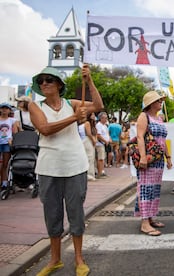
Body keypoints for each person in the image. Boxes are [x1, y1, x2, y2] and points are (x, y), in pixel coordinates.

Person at [29, 64, 104, 276]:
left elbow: (98, 105)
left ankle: (79, 258)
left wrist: (89, 81)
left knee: (76, 213)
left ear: (59, 84)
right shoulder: (36, 107)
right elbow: (45, 129)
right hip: (48, 167)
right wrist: (74, 118)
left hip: (75, 166)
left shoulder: (72, 103)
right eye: (41, 80)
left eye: (49, 80)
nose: (44, 83)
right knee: (52, 214)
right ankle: (55, 259)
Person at [135, 90, 172, 236]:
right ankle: (144, 222)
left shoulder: (159, 118)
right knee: (145, 188)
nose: (161, 102)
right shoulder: (144, 116)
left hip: (158, 160)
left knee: (155, 189)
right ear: (151, 103)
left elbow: (163, 140)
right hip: (149, 160)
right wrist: (143, 157)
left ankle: (150, 217)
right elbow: (139, 136)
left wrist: (168, 157)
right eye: (158, 101)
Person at [0, 103, 18, 189]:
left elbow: (15, 132)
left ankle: (4, 182)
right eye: (2, 108)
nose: (4, 110)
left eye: (6, 108)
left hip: (7, 143)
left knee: (5, 164)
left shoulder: (12, 120)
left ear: (9, 110)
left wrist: (12, 139)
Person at [78, 113, 97, 181]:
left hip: (83, 140)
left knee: (88, 157)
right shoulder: (87, 123)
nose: (94, 116)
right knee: (90, 157)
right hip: (87, 140)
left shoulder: (81, 124)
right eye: (93, 115)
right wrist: (94, 140)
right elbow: (88, 133)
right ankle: (90, 174)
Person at [95, 112, 110, 178]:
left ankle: (102, 171)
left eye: (106, 118)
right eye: (104, 118)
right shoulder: (99, 125)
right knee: (100, 158)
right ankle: (100, 173)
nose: (106, 119)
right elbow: (98, 135)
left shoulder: (105, 125)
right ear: (101, 118)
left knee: (103, 158)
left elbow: (107, 134)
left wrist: (109, 139)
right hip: (100, 144)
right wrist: (105, 141)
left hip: (104, 144)